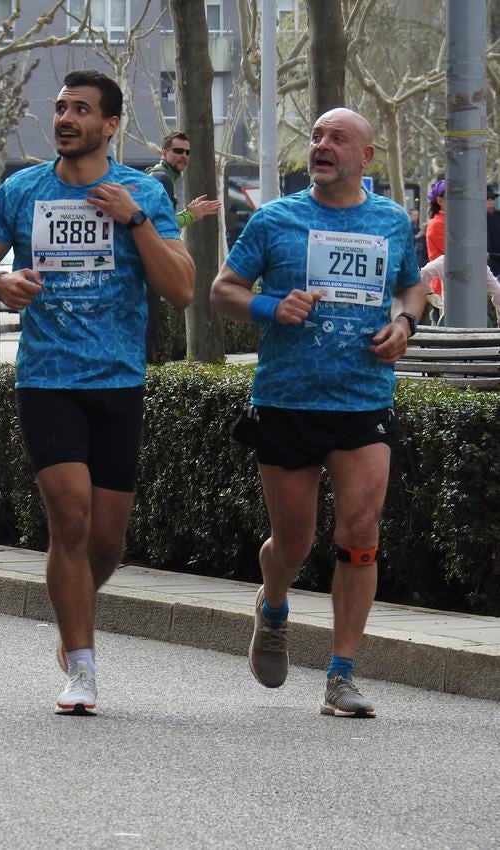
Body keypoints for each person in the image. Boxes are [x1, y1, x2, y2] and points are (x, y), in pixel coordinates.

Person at [0, 69, 194, 715]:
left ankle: (74, 618)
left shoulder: (143, 191)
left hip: (118, 382)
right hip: (47, 379)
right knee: (70, 518)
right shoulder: (22, 190)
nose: (65, 118)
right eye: (60, 108)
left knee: (107, 541)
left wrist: (134, 219)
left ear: (109, 125)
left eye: (80, 109)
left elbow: (180, 288)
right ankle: (81, 666)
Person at [210, 107, 428, 718]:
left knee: (360, 531)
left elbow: (412, 285)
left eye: (337, 139)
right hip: (287, 400)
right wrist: (270, 308)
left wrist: (404, 321)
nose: (322, 146)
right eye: (316, 137)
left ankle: (341, 674)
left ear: (366, 157)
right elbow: (223, 290)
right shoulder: (276, 220)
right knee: (295, 541)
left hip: (363, 400)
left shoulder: (388, 220)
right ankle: (273, 604)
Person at [144, 131, 221, 362]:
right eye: (178, 151)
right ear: (164, 152)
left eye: (187, 152)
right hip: (146, 269)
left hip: (144, 267)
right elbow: (159, 228)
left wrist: (188, 213)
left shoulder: (155, 176)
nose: (184, 156)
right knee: (147, 335)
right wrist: (190, 216)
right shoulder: (161, 179)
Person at [486, 190, 500, 278]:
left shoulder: (498, 215)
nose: (491, 201)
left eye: (492, 199)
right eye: (487, 199)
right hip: (485, 260)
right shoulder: (475, 218)